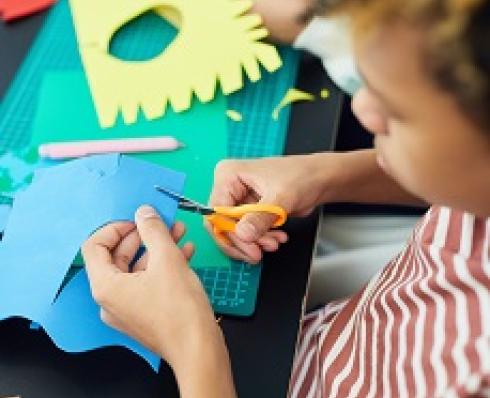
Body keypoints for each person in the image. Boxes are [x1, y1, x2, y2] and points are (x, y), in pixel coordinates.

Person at [82, 0, 490, 396]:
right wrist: (325, 175)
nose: (362, 110)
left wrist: (191, 347)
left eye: (397, 112)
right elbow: (461, 182)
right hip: (327, 337)